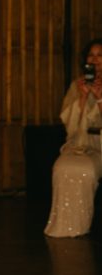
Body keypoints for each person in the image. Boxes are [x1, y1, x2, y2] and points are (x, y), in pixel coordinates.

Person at [44, 39, 102, 238]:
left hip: (100, 146)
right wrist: (83, 97)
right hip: (79, 143)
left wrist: (100, 98)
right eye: (91, 55)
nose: (95, 60)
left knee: (86, 170)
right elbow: (69, 123)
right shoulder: (76, 85)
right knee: (64, 167)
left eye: (100, 55)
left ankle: (84, 224)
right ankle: (67, 227)